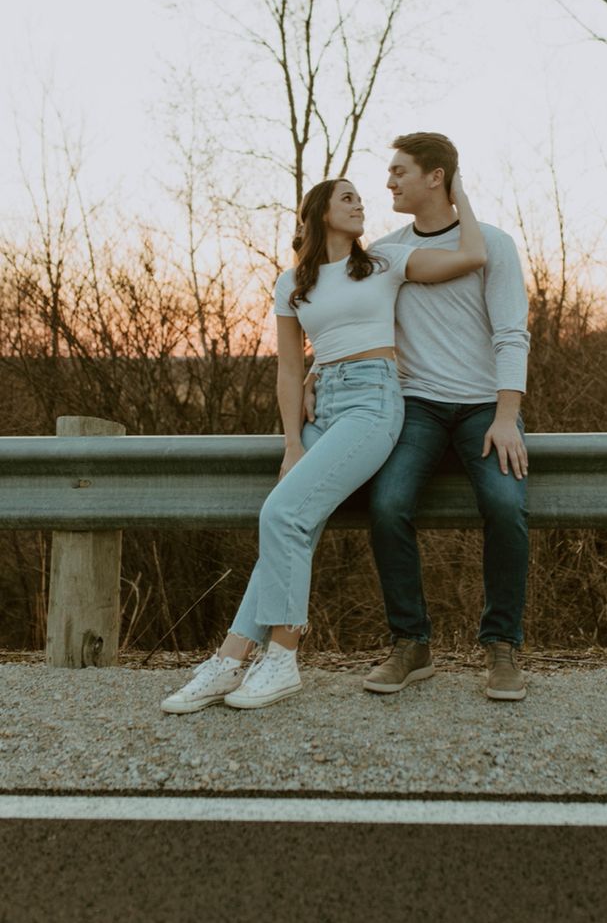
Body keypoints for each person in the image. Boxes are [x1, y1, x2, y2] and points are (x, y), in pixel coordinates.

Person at [161, 170, 486, 714]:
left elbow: (471, 256)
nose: (362, 205)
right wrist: (292, 441)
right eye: (349, 198)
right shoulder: (291, 283)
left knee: (282, 514)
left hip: (374, 402)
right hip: (324, 401)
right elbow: (290, 371)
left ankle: (283, 657)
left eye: (362, 198)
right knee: (293, 525)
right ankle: (230, 660)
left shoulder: (384, 263)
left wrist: (459, 194)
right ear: (320, 213)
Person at [307, 133, 530, 701]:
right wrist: (318, 370)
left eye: (399, 171)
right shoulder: (383, 251)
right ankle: (412, 643)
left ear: (437, 178)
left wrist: (507, 415)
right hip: (417, 405)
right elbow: (350, 320)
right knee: (388, 505)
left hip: (484, 408)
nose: (387, 184)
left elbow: (511, 334)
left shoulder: (495, 245)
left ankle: (501, 647)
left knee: (505, 507)